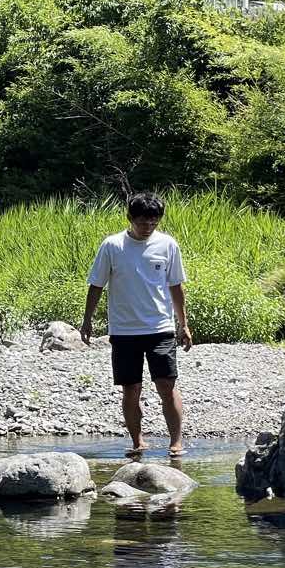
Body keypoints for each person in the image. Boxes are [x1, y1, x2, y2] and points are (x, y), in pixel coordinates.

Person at [80, 192, 194, 456]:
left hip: (160, 329)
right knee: (131, 389)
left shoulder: (167, 245)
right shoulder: (112, 246)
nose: (148, 228)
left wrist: (183, 324)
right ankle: (137, 442)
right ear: (130, 218)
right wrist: (87, 321)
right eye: (143, 222)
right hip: (124, 331)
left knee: (167, 385)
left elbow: (176, 287)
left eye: (153, 223)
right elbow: (96, 285)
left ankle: (176, 443)